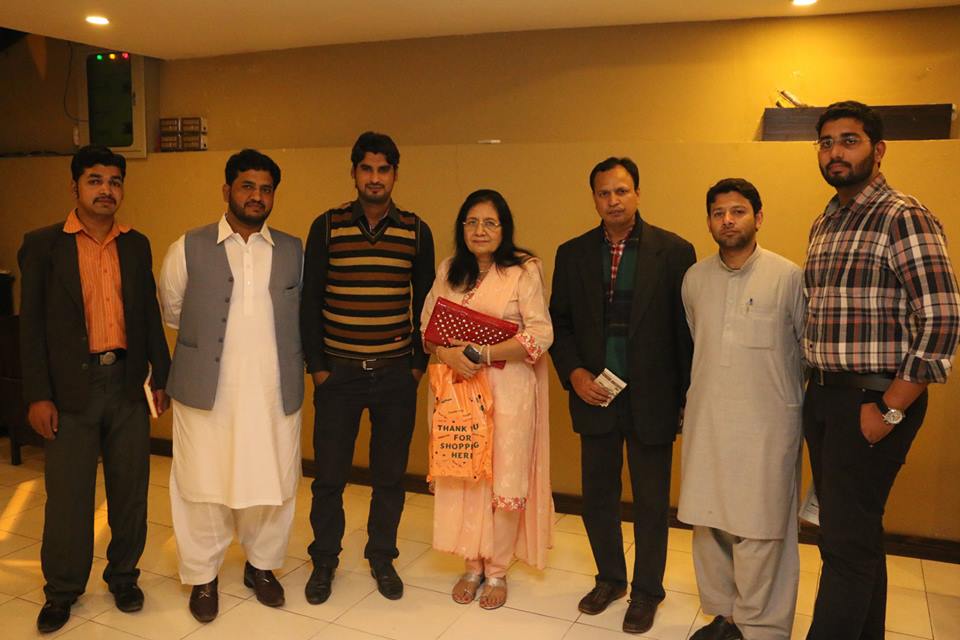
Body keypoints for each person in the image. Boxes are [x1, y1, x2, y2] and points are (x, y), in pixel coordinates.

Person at [803, 101, 960, 639]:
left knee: (843, 544)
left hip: (873, 400)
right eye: (826, 142)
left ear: (879, 149)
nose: (835, 152)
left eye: (849, 140)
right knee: (854, 535)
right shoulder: (826, 221)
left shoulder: (903, 215)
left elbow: (943, 317)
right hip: (825, 398)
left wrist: (891, 408)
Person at [18, 145, 171, 633]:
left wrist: (161, 377)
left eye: (115, 181)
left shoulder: (136, 244)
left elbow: (147, 314)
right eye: (95, 180)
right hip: (69, 390)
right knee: (68, 497)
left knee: (130, 490)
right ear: (75, 187)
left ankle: (124, 577)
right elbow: (31, 327)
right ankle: (62, 590)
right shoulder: (43, 245)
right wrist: (37, 395)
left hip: (126, 385)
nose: (107, 190)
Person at [549, 157, 696, 634]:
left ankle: (647, 592)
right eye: (604, 193)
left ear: (637, 193)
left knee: (652, 502)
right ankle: (610, 579)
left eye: (621, 191)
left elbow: (685, 333)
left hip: (653, 397)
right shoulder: (572, 253)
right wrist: (574, 374)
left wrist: (685, 398)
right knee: (598, 497)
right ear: (593, 198)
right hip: (594, 393)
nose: (613, 200)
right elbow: (559, 323)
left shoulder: (674, 252)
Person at [159, 149, 304, 622]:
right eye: (247, 186)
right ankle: (203, 576)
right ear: (227, 190)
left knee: (273, 482)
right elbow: (172, 311)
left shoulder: (293, 250)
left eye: (266, 189)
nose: (256, 196)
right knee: (201, 486)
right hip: (206, 394)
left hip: (272, 393)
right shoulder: (187, 247)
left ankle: (262, 567)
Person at [301, 131, 436, 603]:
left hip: (395, 376)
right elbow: (310, 301)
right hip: (339, 375)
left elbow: (427, 305)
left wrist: (416, 367)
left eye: (383, 169)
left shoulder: (416, 231)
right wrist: (319, 368)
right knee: (329, 478)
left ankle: (382, 557)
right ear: (354, 172)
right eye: (367, 169)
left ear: (395, 174)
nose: (375, 178)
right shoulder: (328, 226)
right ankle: (324, 560)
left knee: (389, 477)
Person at [679, 178, 805, 640]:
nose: (727, 220)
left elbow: (806, 351)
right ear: (709, 221)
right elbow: (699, 342)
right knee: (708, 520)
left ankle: (762, 628)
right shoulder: (694, 279)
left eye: (738, 211)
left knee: (762, 528)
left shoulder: (788, 277)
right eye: (718, 213)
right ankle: (724, 617)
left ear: (758, 217)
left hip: (768, 424)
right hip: (708, 420)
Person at [421, 189, 554, 610]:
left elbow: (541, 334)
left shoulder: (523, 270)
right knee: (465, 471)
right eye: (472, 222)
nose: (480, 230)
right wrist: (448, 355)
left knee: (503, 478)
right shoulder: (449, 270)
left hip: (508, 389)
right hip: (458, 391)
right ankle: (471, 564)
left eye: (490, 223)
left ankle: (496, 570)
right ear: (462, 227)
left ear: (504, 228)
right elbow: (427, 328)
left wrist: (485, 352)